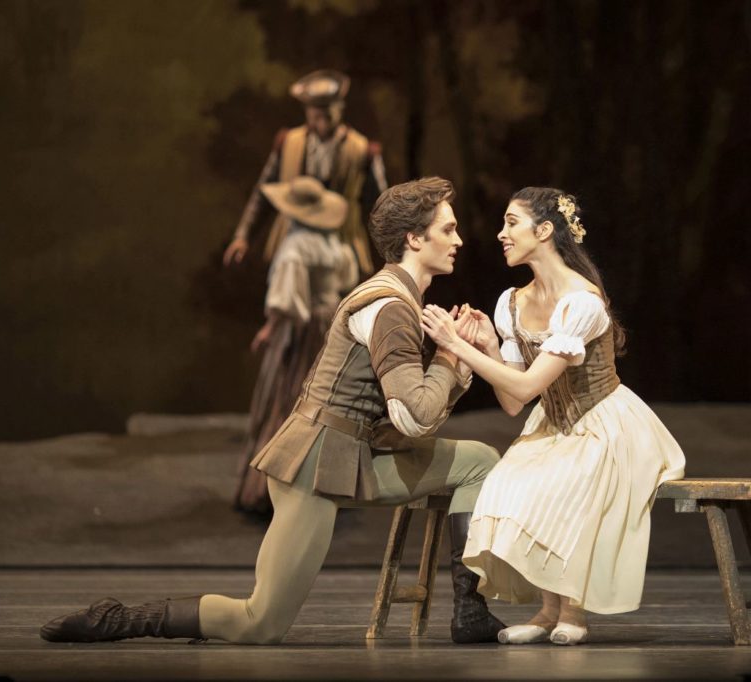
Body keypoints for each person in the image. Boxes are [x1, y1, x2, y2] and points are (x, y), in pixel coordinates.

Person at [40, 178, 505, 645]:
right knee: (259, 623)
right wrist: (449, 356)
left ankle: (470, 611)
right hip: (316, 467)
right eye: (448, 229)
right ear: (414, 239)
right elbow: (414, 417)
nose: (459, 240)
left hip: (358, 456)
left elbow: (417, 417)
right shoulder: (390, 307)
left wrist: (456, 357)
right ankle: (123, 619)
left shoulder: (401, 300)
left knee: (479, 462)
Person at [421, 187, 686, 645]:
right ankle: (547, 610)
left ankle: (574, 612)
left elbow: (526, 386)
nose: (501, 234)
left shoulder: (581, 302)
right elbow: (513, 402)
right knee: (508, 479)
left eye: (511, 223)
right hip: (554, 423)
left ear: (544, 231)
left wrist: (456, 344)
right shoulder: (512, 303)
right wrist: (487, 345)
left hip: (606, 424)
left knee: (569, 481)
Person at [234, 176, 359, 517]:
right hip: (331, 325)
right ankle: (323, 483)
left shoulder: (296, 247)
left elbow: (287, 300)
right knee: (327, 402)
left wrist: (270, 327)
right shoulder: (335, 244)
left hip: (303, 331)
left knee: (287, 400)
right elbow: (347, 281)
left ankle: (273, 488)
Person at [223, 69, 387, 278]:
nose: (322, 115)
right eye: (315, 109)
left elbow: (381, 207)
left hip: (340, 243)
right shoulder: (289, 143)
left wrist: (393, 250)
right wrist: (243, 236)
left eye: (328, 108)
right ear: (307, 110)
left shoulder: (362, 150)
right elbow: (263, 192)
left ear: (340, 107)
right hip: (291, 239)